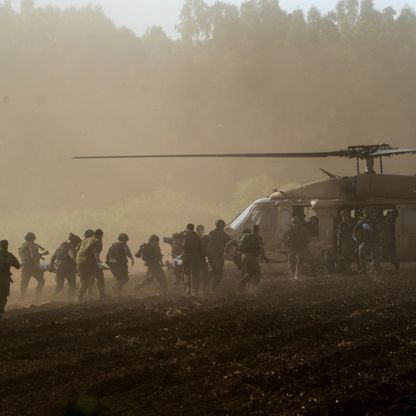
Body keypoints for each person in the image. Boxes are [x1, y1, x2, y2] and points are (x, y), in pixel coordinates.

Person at [50, 233, 82, 300]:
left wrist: (51, 267)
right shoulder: (71, 247)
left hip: (58, 267)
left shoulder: (59, 247)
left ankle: (53, 297)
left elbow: (53, 258)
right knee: (72, 284)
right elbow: (73, 257)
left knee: (59, 285)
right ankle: (69, 299)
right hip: (68, 267)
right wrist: (78, 266)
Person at [76, 229, 105, 301]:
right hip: (89, 262)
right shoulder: (97, 241)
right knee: (100, 275)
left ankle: (79, 297)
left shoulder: (84, 240)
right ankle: (102, 295)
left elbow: (77, 249)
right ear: (100, 235)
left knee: (84, 281)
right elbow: (96, 252)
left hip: (79, 262)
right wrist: (98, 263)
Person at [18, 232, 47, 300]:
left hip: (24, 266)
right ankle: (37, 297)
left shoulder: (22, 246)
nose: (34, 240)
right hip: (31, 266)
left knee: (24, 283)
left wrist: (40, 255)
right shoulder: (31, 245)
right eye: (33, 238)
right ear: (31, 238)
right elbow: (34, 256)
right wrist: (43, 254)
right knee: (41, 281)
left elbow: (25, 256)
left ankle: (21, 298)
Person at [353, 208, 382, 274]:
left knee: (376, 255)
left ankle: (377, 269)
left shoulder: (375, 222)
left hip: (373, 241)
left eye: (368, 213)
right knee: (361, 253)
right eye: (365, 213)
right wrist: (356, 238)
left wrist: (373, 230)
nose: (367, 215)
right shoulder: (361, 222)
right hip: (365, 241)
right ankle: (363, 269)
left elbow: (379, 231)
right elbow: (355, 231)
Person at [207, 219, 231, 291]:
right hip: (218, 255)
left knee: (215, 271)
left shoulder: (212, 233)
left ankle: (208, 281)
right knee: (218, 272)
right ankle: (212, 287)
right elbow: (229, 243)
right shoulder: (225, 235)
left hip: (212, 255)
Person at [182, 224, 204, 296]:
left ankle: (188, 287)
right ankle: (195, 291)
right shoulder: (196, 236)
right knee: (195, 274)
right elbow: (201, 247)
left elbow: (180, 245)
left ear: (187, 228)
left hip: (186, 257)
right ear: (193, 228)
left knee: (186, 272)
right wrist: (202, 257)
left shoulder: (184, 235)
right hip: (195, 257)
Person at [0, 240, 20, 315]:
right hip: (4, 278)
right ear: (7, 246)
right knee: (4, 295)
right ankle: (0, 309)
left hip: (4, 277)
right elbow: (18, 266)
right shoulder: (9, 255)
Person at [196, 225, 210, 292]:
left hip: (197, 259)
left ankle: (199, 289)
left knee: (198, 274)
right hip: (201, 258)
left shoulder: (193, 237)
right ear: (200, 230)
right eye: (202, 229)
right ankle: (203, 288)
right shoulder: (202, 238)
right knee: (204, 273)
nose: (203, 231)